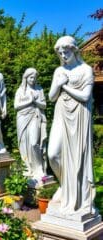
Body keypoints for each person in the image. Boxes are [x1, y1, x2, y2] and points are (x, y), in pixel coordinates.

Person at [48, 36, 95, 215]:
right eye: (59, 52)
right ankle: (64, 184)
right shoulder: (59, 71)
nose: (62, 55)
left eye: (65, 51)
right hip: (61, 112)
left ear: (74, 50)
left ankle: (77, 194)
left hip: (80, 115)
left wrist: (64, 87)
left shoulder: (86, 70)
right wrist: (58, 84)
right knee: (53, 154)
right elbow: (52, 97)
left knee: (78, 157)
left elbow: (85, 96)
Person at [14, 68, 47, 179]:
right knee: (23, 143)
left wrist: (35, 101)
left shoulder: (39, 89)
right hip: (22, 118)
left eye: (34, 77)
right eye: (30, 77)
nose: (32, 80)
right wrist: (29, 101)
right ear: (26, 78)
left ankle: (39, 169)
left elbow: (44, 105)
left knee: (33, 143)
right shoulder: (20, 90)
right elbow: (16, 106)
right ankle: (27, 167)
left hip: (35, 116)